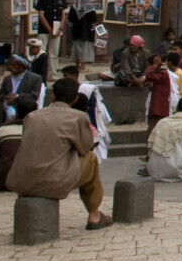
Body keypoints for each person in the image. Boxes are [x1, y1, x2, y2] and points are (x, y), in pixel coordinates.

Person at [6, 77, 113, 230]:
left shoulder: (32, 116)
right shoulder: (78, 117)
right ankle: (94, 214)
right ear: (75, 99)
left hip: (23, 179)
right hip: (53, 180)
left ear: (53, 96)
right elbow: (85, 148)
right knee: (91, 159)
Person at [0, 95, 37, 190]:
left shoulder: (3, 130)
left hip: (5, 181)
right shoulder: (41, 130)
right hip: (32, 182)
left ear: (17, 112)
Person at [0, 54, 44, 122]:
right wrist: (5, 97)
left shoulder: (35, 78)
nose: (10, 67)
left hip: (25, 117)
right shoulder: (7, 79)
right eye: (9, 65)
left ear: (22, 65)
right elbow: (0, 94)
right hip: (8, 116)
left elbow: (34, 96)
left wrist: (17, 96)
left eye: (13, 65)